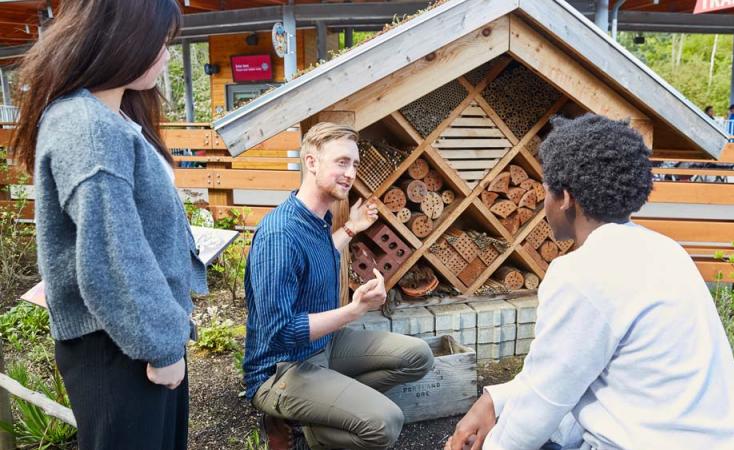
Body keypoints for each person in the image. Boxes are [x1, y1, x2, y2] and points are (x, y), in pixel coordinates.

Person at [446, 114, 734, 450]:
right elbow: (564, 374)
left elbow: (541, 406)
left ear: (565, 197)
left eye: (546, 191)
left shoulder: (582, 273)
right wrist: (494, 399)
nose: (544, 205)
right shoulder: (666, 251)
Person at [10, 1, 207, 449]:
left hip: (134, 334)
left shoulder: (113, 115)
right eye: (160, 42)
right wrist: (161, 347)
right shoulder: (87, 126)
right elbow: (113, 253)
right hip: (117, 345)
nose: (166, 55)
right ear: (122, 39)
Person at [244, 122, 435, 450]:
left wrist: (351, 229)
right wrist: (354, 310)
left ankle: (322, 410)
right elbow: (281, 333)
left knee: (418, 356)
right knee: (385, 423)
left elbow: (315, 258)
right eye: (341, 162)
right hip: (281, 368)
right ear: (312, 162)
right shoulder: (280, 234)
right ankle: (306, 428)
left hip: (325, 346)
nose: (350, 173)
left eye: (355, 164)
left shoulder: (316, 219)